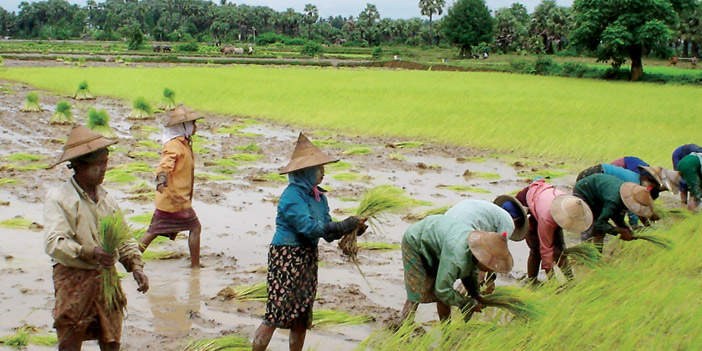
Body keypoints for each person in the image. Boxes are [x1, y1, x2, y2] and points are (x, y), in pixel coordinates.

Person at [252, 133, 367, 351]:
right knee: (276, 313)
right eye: (319, 168)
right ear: (305, 171)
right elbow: (309, 228)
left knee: (302, 315)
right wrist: (344, 225)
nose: (323, 172)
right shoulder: (291, 196)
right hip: (287, 257)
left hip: (307, 258)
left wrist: (352, 228)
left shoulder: (319, 197)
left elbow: (328, 232)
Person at [44, 125, 149, 351]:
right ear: (79, 166)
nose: (104, 170)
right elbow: (54, 243)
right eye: (98, 164)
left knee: (111, 341)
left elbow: (124, 238)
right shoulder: (60, 199)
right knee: (70, 339)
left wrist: (136, 266)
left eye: (106, 163)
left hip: (106, 281)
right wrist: (88, 252)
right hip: (74, 281)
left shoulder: (107, 200)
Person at [398, 215, 513, 324]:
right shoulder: (456, 256)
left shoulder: (472, 252)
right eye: (489, 266)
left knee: (445, 294)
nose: (488, 270)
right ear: (482, 257)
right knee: (417, 290)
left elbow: (470, 275)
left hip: (439, 245)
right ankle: (404, 325)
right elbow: (442, 290)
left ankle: (446, 329)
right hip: (416, 241)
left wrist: (476, 295)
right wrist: (467, 302)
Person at [139, 104, 203, 268]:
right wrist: (161, 178)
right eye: (192, 124)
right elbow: (165, 164)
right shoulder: (174, 145)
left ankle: (131, 258)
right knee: (195, 227)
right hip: (175, 200)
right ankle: (195, 266)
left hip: (172, 199)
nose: (195, 127)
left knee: (153, 231)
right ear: (183, 126)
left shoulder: (184, 143)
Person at [515, 179, 593, 281]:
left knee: (560, 250)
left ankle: (570, 280)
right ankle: (532, 281)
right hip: (528, 202)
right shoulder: (546, 218)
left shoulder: (568, 203)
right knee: (536, 249)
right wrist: (552, 280)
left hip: (544, 201)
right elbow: (545, 248)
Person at [573, 174, 654, 251]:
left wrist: (626, 229)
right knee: (589, 226)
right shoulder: (614, 201)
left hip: (599, 195)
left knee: (601, 230)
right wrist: (619, 231)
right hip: (584, 191)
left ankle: (597, 255)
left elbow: (617, 216)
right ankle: (585, 254)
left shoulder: (622, 200)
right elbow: (600, 224)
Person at [576, 163, 665, 227]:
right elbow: (631, 205)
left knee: (606, 213)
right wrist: (633, 224)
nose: (651, 188)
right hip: (591, 180)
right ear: (646, 179)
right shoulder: (634, 184)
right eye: (653, 185)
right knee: (593, 217)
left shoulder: (636, 181)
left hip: (600, 181)